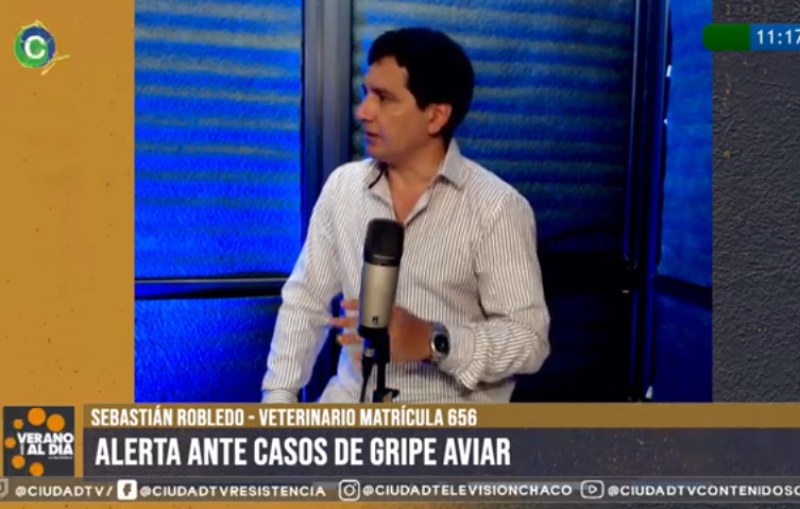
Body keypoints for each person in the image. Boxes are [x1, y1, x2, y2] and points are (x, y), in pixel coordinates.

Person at [261, 27, 550, 403]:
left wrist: (434, 341)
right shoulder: (342, 187)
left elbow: (529, 341)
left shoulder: (497, 207)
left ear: (436, 116)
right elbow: (306, 300)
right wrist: (278, 399)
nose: (363, 112)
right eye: (366, 93)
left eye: (384, 98)